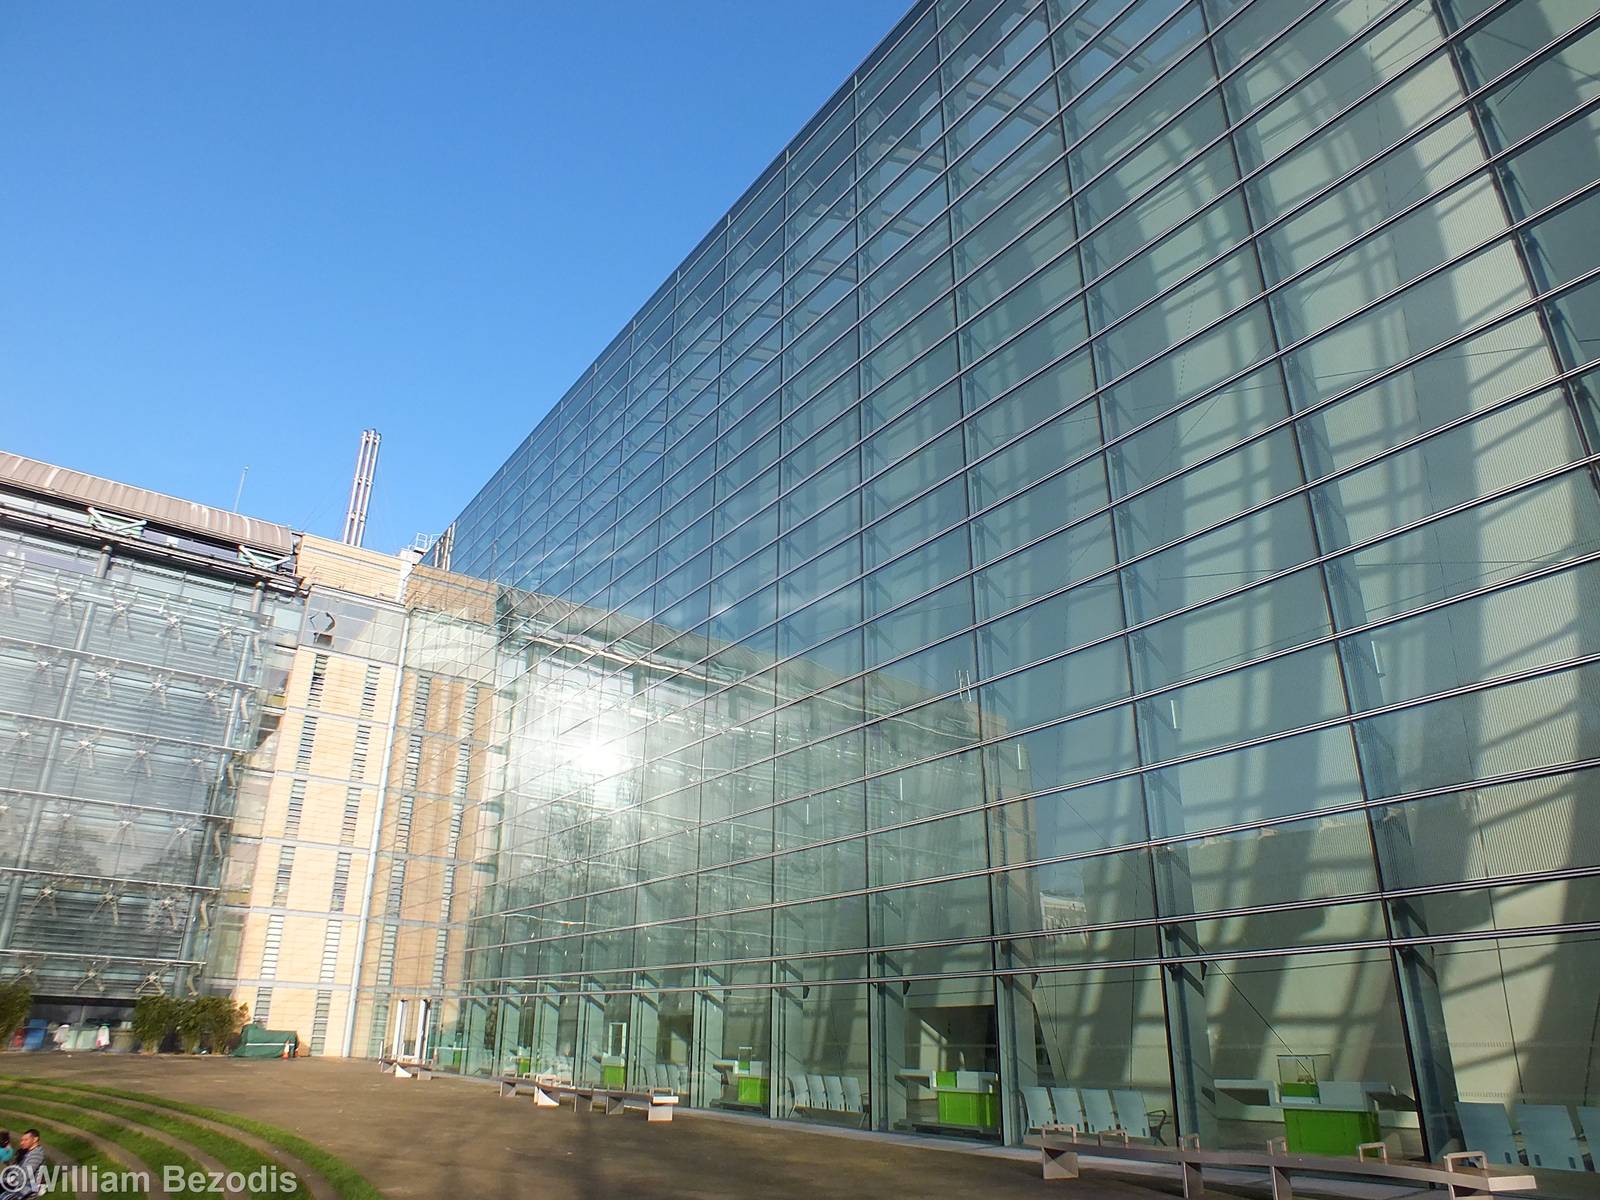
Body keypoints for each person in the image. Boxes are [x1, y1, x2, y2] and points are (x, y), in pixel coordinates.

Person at [8, 1129, 44, 1198]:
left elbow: (24, 1175)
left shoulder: (37, 1154)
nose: (22, 1143)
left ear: (35, 1139)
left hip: (28, 1186)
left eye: (26, 1140)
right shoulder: (25, 1152)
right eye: (22, 1140)